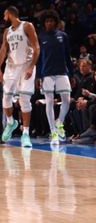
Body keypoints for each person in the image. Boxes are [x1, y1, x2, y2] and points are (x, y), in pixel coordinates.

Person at [0, 6, 40, 148]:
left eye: (4, 14)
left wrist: (32, 66)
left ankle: (25, 133)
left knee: (24, 99)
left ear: (9, 14)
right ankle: (11, 122)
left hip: (26, 65)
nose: (3, 17)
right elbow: (3, 49)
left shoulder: (27, 26)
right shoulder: (7, 31)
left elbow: (36, 48)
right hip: (11, 67)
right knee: (6, 97)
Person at [37, 10, 73, 144]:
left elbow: (68, 56)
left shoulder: (63, 36)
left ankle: (59, 122)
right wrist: (38, 76)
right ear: (44, 23)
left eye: (51, 21)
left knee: (67, 100)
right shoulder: (40, 37)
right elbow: (39, 59)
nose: (49, 23)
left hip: (62, 72)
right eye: (47, 21)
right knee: (49, 101)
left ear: (56, 22)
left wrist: (72, 73)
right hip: (46, 74)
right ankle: (53, 132)